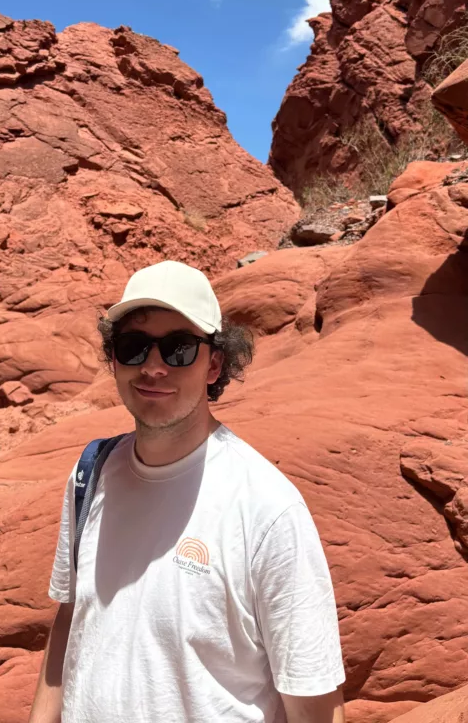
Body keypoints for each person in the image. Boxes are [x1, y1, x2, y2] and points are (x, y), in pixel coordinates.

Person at [29, 260, 346, 723]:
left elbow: (316, 708)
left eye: (178, 348)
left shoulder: (266, 508)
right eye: (134, 347)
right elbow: (70, 620)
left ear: (214, 363)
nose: (153, 367)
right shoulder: (90, 474)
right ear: (114, 359)